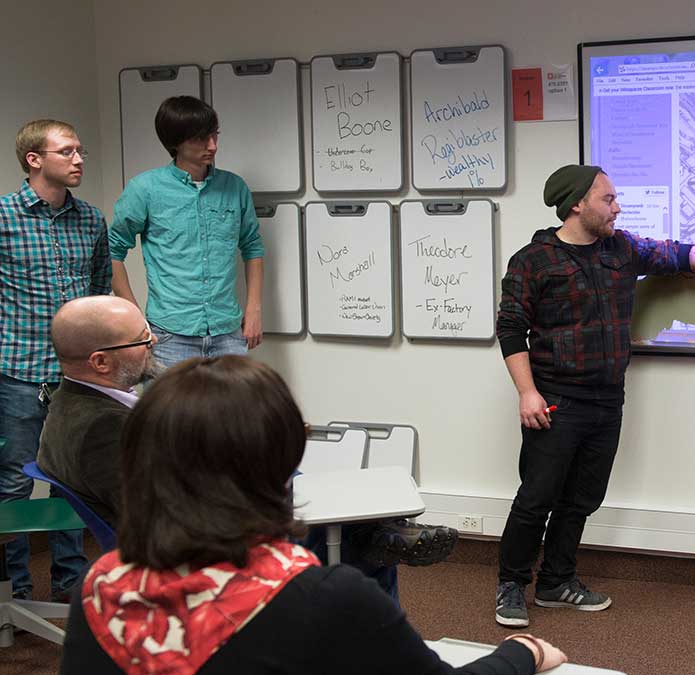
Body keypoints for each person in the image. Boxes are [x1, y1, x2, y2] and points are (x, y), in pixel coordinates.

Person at [60, 356, 567, 674]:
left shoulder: (99, 585)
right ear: (281, 461)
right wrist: (522, 653)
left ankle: (375, 538)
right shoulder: (320, 598)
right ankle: (377, 539)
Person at [493, 164, 695, 627]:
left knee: (582, 498)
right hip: (555, 400)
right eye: (608, 199)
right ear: (576, 205)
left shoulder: (621, 249)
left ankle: (556, 582)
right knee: (537, 497)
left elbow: (675, 255)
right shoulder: (534, 260)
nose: (617, 207)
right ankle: (511, 584)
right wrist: (526, 393)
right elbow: (510, 328)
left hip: (607, 400)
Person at [0, 119, 108, 601]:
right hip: (19, 374)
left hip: (77, 377)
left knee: (75, 481)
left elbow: (99, 291)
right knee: (14, 485)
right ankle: (14, 594)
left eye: (80, 150)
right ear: (34, 160)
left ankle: (69, 583)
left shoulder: (91, 219)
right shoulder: (3, 217)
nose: (80, 159)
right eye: (68, 151)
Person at [108, 95, 264, 368]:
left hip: (227, 330)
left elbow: (252, 247)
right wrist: (133, 316)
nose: (212, 146)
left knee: (237, 411)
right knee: (169, 412)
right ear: (175, 142)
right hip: (169, 334)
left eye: (215, 135)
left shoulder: (234, 187)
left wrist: (254, 310)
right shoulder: (144, 189)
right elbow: (111, 252)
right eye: (200, 138)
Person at [38, 296, 161, 525]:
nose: (153, 340)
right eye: (141, 339)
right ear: (101, 362)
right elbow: (159, 518)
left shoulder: (65, 401)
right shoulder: (105, 431)